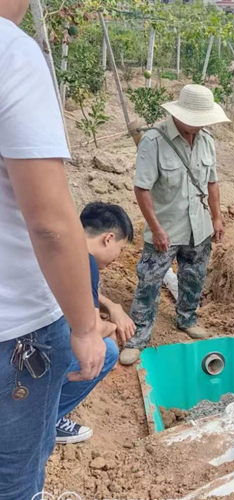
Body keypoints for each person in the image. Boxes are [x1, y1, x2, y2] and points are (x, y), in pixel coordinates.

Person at [0, 3, 106, 499]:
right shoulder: (10, 50)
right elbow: (49, 224)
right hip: (15, 330)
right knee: (16, 479)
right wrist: (85, 327)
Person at [120, 84, 229, 366]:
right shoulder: (154, 141)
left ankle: (187, 318)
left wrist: (216, 217)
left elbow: (212, 182)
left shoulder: (206, 140)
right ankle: (138, 336)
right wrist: (156, 228)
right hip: (165, 228)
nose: (200, 124)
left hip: (199, 226)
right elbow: (142, 189)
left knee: (194, 276)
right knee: (150, 281)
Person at [55, 202, 135, 444]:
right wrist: (112, 326)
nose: (118, 258)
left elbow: (79, 288)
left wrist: (112, 306)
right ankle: (50, 419)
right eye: (120, 249)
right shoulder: (86, 262)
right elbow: (92, 329)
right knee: (107, 350)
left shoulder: (62, 244)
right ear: (108, 238)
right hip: (31, 355)